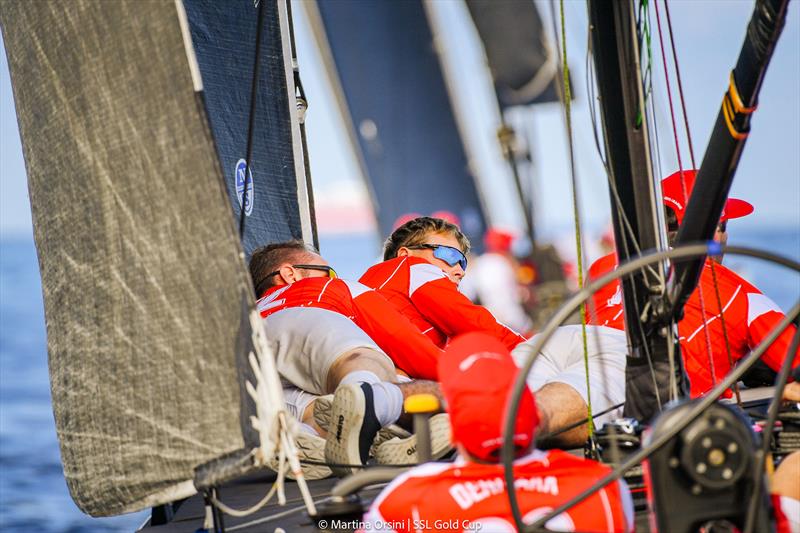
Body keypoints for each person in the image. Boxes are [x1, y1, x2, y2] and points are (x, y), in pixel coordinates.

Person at [361, 332, 634, 532]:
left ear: (453, 423)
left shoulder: (405, 500)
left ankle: (377, 400)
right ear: (531, 410)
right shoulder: (603, 485)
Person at [587, 169, 799, 398]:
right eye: (723, 226)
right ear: (714, 231)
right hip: (639, 395)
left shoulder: (602, 268)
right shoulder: (742, 295)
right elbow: (795, 362)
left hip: (572, 356)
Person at [249, 241, 447, 474]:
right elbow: (405, 341)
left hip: (247, 354)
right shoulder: (327, 288)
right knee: (362, 364)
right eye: (328, 272)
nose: (333, 277)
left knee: (320, 408)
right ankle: (381, 407)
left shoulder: (247, 310)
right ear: (289, 274)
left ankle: (311, 435)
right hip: (305, 319)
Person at [359, 217, 527, 359]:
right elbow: (476, 323)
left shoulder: (370, 281)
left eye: (463, 262)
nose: (460, 271)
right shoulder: (414, 269)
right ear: (404, 256)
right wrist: (534, 352)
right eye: (449, 255)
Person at [460, 227, 534, 335]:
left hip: (493, 321)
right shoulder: (503, 262)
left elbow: (469, 294)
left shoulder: (481, 262)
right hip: (515, 322)